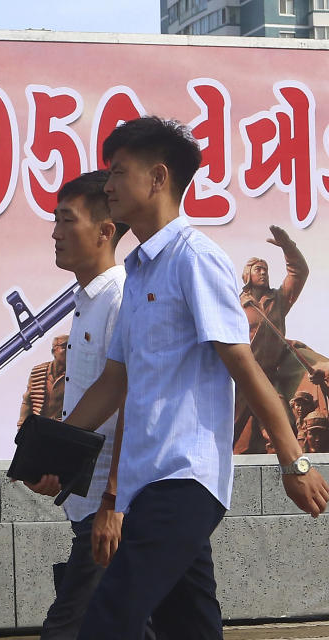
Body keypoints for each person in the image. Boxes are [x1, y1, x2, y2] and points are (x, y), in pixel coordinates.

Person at [63, 116, 329, 639]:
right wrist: (53, 444)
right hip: (147, 484)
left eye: (118, 172)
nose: (108, 185)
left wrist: (293, 459)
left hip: (185, 479)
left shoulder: (195, 259)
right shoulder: (138, 271)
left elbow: (244, 366)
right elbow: (115, 382)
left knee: (107, 620)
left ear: (158, 178)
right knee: (190, 626)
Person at [22, 170, 148, 640]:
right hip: (87, 506)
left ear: (105, 231)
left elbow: (131, 402)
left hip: (110, 511)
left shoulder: (120, 299)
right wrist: (53, 463)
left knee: (65, 632)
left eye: (65, 220)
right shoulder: (85, 302)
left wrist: (113, 502)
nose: (55, 233)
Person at [234, 227, 310, 453]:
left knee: (283, 427)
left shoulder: (278, 300)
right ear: (247, 274)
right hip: (241, 379)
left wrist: (288, 247)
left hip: (268, 377)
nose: (264, 273)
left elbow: (299, 273)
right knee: (230, 433)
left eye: (266, 269)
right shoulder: (235, 305)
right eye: (258, 269)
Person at [18, 334, 68, 427]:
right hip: (38, 429)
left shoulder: (75, 375)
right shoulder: (38, 371)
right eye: (65, 347)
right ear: (54, 351)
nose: (70, 351)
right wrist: (21, 428)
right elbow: (27, 401)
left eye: (72, 347)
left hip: (61, 431)